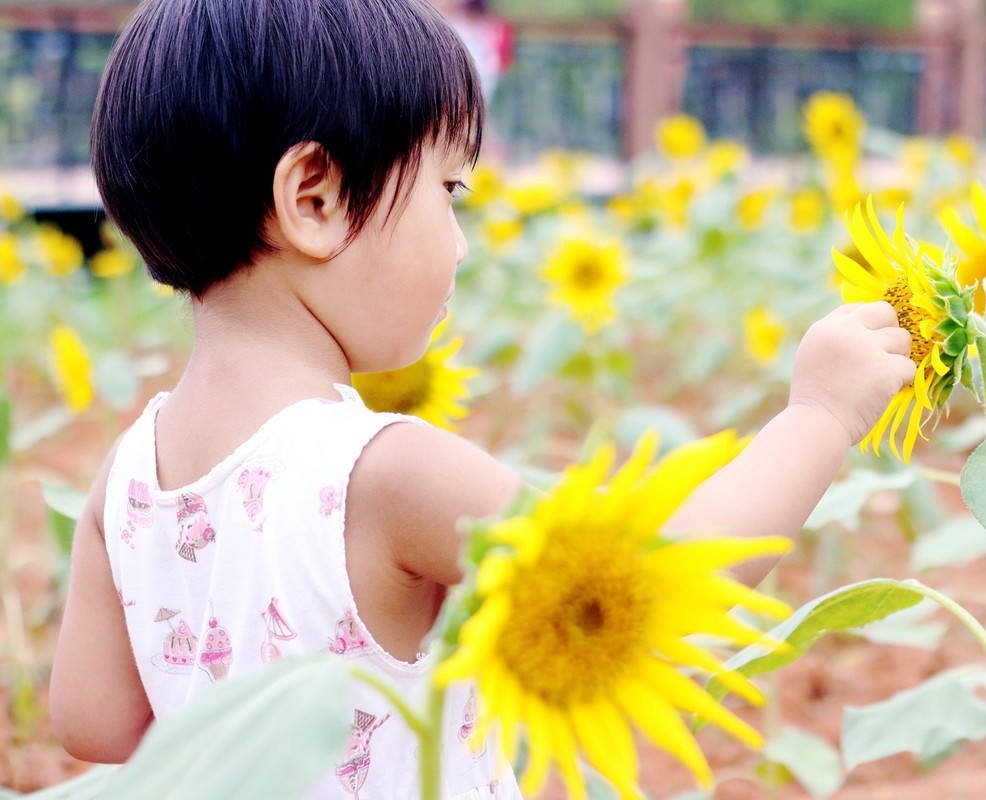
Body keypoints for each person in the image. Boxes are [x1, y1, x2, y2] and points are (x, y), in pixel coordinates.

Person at [48, 0, 915, 796]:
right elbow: (651, 586)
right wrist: (820, 415)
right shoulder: (384, 472)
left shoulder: (125, 481)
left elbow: (95, 723)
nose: (460, 244)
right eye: (447, 190)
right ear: (315, 199)